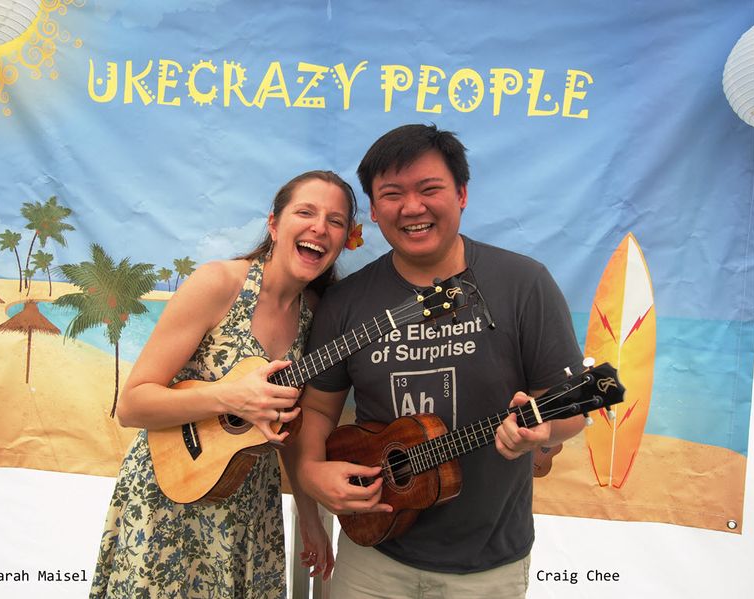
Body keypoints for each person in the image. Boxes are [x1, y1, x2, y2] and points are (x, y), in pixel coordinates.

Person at [286, 124, 586, 598]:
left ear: (462, 194)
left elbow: (570, 408)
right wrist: (308, 471)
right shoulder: (346, 303)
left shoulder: (524, 283)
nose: (412, 207)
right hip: (372, 553)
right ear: (375, 210)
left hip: (488, 566)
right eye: (392, 194)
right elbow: (319, 409)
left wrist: (544, 430)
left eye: (430, 189)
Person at [89, 170, 357, 599]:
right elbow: (132, 405)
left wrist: (308, 515)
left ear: (343, 239)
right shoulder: (220, 284)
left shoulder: (317, 316)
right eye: (305, 212)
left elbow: (287, 425)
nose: (319, 227)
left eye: (336, 220)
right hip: (170, 498)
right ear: (274, 224)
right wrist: (231, 396)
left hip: (250, 508)